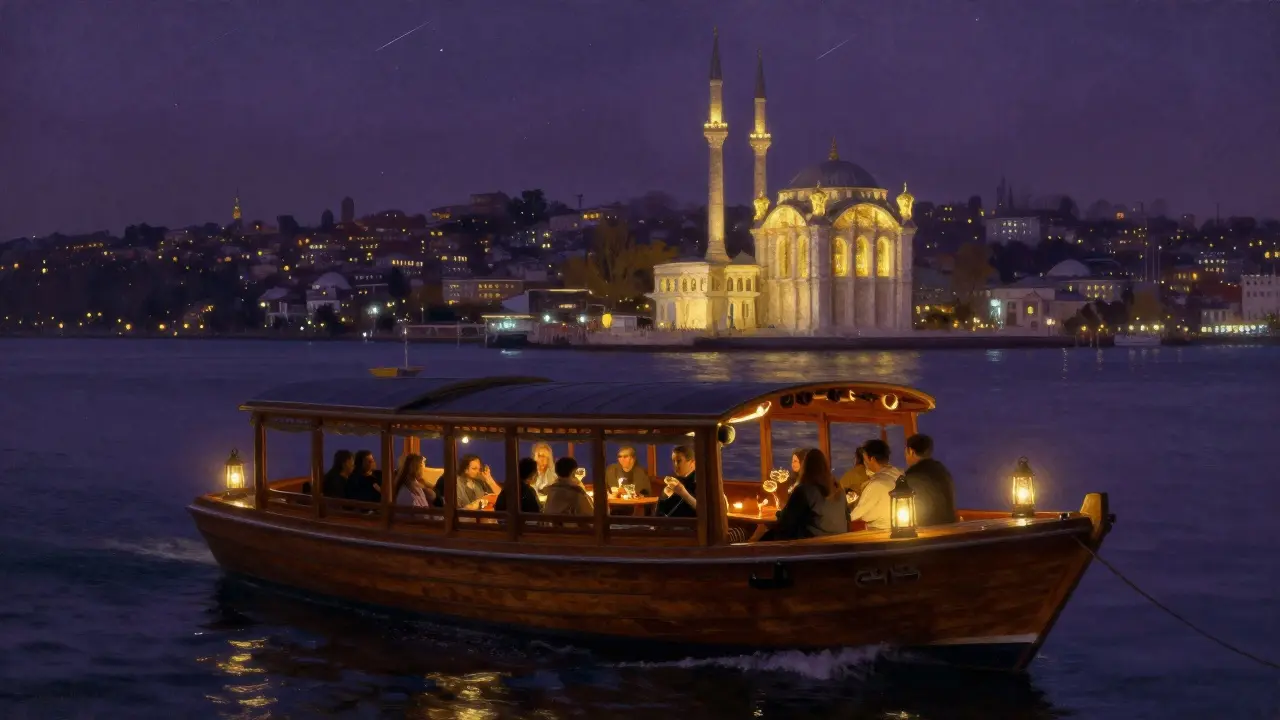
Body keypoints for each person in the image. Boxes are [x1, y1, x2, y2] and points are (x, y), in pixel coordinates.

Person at [757, 448, 847, 541]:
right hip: (839, 540)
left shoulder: (804, 490)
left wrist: (778, 514)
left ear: (805, 467)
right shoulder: (839, 489)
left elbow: (786, 521)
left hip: (811, 543)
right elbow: (847, 518)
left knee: (765, 538)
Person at [903, 434, 956, 527]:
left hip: (928, 532)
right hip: (951, 529)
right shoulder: (942, 470)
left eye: (905, 452)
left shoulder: (912, 475)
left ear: (911, 451)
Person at [848, 439, 901, 531]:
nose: (865, 464)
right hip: (899, 528)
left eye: (865, 460)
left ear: (871, 459)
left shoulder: (876, 484)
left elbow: (855, 515)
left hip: (882, 532)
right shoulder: (899, 475)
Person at [656, 446, 697, 518]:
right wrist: (665, 496)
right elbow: (661, 511)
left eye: (679, 461)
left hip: (689, 526)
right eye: (673, 461)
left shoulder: (700, 481)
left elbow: (705, 511)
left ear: (692, 463)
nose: (675, 465)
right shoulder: (676, 480)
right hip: (669, 525)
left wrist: (683, 493)